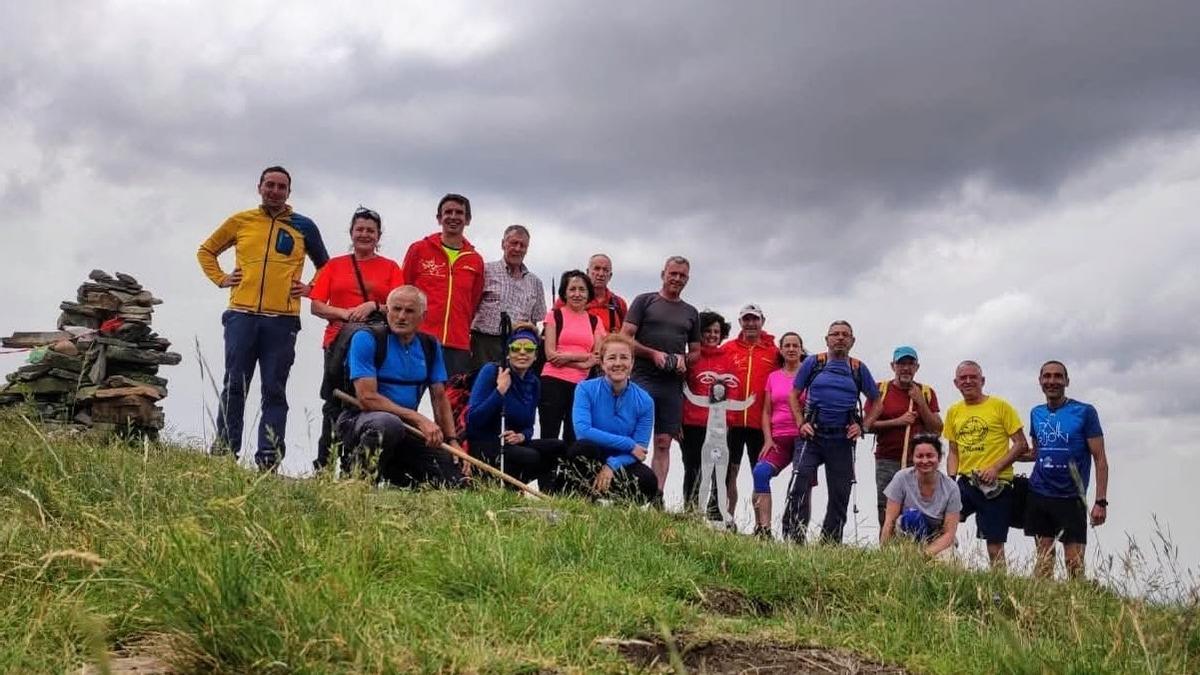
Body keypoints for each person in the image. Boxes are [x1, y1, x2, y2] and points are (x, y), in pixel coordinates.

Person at [197, 165, 329, 470]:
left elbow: (326, 266)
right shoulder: (241, 221)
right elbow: (206, 251)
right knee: (235, 385)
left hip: (282, 320)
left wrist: (310, 288)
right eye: (269, 185)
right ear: (259, 187)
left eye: (281, 187)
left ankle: (269, 458)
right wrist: (221, 278)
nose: (275, 191)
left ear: (289, 192)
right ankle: (224, 452)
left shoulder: (303, 225)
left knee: (274, 389)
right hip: (241, 315)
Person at [338, 285, 465, 488]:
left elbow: (439, 398)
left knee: (453, 480)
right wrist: (417, 418)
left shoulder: (430, 346)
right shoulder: (367, 339)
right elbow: (367, 397)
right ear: (387, 311)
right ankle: (357, 481)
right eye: (396, 309)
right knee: (388, 424)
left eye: (409, 311)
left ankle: (396, 476)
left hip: (406, 429)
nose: (401, 316)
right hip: (361, 420)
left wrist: (452, 441)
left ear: (423, 316)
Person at [308, 206, 404, 471]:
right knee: (334, 401)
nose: (364, 235)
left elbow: (398, 305)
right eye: (359, 229)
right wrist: (346, 313)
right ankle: (324, 465)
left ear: (378, 235)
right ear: (351, 233)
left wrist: (373, 306)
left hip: (375, 343)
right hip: (338, 342)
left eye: (370, 230)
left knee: (367, 400)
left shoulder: (390, 267)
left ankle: (356, 463)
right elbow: (316, 305)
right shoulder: (334, 265)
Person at [782, 320, 880, 544]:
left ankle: (830, 542)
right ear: (826, 339)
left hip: (842, 438)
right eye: (835, 334)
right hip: (812, 435)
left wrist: (863, 426)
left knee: (840, 493)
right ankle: (792, 538)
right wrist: (800, 423)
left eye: (845, 335)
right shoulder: (814, 363)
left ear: (852, 341)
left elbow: (876, 401)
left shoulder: (857, 368)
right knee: (799, 482)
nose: (840, 338)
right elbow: (793, 395)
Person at [621, 256, 701, 497]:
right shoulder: (645, 301)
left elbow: (696, 351)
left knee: (664, 441)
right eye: (673, 273)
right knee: (632, 437)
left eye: (682, 276)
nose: (677, 279)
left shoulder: (691, 312)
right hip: (641, 377)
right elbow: (624, 338)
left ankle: (656, 495)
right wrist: (652, 353)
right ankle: (625, 489)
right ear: (663, 274)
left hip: (671, 384)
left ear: (687, 279)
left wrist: (682, 360)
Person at [1026, 360, 1109, 580]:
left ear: (1067, 381)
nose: (1052, 381)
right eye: (1047, 376)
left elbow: (1100, 458)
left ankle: (1078, 606)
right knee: (1044, 559)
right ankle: (1041, 607)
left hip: (1071, 497)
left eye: (1057, 376)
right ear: (1040, 381)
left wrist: (1101, 501)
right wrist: (998, 459)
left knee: (1074, 562)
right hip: (1040, 493)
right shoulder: (1036, 413)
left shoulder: (1085, 412)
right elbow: (1037, 452)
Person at [944, 360, 1030, 570]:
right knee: (943, 524)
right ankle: (948, 571)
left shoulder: (1000, 407)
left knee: (994, 545)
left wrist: (996, 468)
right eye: (963, 378)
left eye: (973, 377)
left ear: (982, 381)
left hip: (997, 485)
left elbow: (1021, 444)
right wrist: (950, 482)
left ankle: (999, 589)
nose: (968, 381)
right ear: (956, 383)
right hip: (966, 482)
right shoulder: (954, 411)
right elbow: (953, 451)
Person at [464, 323, 565, 489]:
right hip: (486, 444)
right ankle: (499, 486)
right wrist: (499, 391)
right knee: (529, 456)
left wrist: (522, 436)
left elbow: (529, 426)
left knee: (558, 447)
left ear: (535, 355)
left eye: (529, 348)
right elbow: (473, 420)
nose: (522, 353)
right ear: (508, 352)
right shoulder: (491, 371)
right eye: (516, 348)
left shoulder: (534, 383)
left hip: (514, 444)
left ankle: (551, 493)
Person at [561, 333, 658, 502]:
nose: (618, 363)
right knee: (582, 449)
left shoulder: (645, 401)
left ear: (632, 363)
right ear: (603, 363)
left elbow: (640, 450)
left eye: (624, 358)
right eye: (612, 358)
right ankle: (583, 498)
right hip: (592, 457)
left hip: (621, 462)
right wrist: (628, 443)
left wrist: (612, 465)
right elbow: (583, 431)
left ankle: (617, 508)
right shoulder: (585, 389)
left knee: (648, 481)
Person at [402, 193, 484, 377]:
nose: (453, 217)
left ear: (468, 220)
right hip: (419, 338)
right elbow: (403, 290)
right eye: (448, 212)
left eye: (459, 213)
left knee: (451, 403)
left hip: (457, 344)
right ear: (439, 218)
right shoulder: (419, 249)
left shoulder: (475, 260)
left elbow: (473, 302)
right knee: (407, 397)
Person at [864, 346, 943, 526]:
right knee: (887, 506)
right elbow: (866, 425)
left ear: (917, 367)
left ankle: (915, 548)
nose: (906, 368)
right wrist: (897, 422)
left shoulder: (926, 392)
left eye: (910, 364)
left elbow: (937, 429)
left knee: (920, 505)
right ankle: (887, 548)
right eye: (901, 364)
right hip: (887, 459)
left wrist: (920, 403)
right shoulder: (880, 390)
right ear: (893, 366)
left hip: (919, 461)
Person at [720, 303, 779, 522]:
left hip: (760, 424)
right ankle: (727, 520)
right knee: (729, 474)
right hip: (732, 422)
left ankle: (761, 526)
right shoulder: (728, 348)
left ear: (762, 322)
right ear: (740, 323)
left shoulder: (774, 352)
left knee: (760, 475)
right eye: (746, 319)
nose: (751, 323)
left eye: (755, 319)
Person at [750, 331, 806, 538]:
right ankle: (763, 529)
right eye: (787, 346)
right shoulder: (773, 377)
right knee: (760, 473)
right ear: (781, 350)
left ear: (801, 349)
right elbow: (766, 411)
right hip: (778, 439)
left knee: (802, 481)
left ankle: (797, 532)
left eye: (795, 345)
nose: (791, 349)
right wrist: (768, 438)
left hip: (803, 439)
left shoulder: (808, 375)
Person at [539, 270, 605, 444]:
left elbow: (596, 357)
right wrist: (582, 361)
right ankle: (547, 471)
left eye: (582, 290)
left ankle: (569, 471)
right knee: (549, 433)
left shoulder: (595, 321)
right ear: (565, 292)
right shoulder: (554, 315)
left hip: (581, 385)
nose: (577, 294)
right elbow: (551, 355)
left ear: (588, 293)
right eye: (572, 289)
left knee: (574, 434)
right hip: (552, 380)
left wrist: (567, 357)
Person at [469, 225, 547, 368]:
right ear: (503, 244)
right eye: (513, 243)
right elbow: (470, 306)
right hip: (484, 344)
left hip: (518, 346)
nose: (517, 248)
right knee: (481, 385)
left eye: (522, 245)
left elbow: (536, 320)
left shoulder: (535, 282)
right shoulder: (485, 271)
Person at [683, 376, 753, 529]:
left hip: (722, 446)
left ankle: (723, 510)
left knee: (721, 482)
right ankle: (700, 510)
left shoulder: (727, 404)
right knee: (705, 478)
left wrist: (750, 400)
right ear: (712, 391)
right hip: (709, 445)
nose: (718, 393)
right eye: (716, 390)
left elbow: (741, 405)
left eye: (721, 391)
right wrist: (687, 391)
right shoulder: (708, 402)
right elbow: (695, 399)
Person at [680, 311, 733, 512]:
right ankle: (691, 511)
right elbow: (681, 390)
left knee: (720, 471)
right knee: (693, 468)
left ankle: (715, 512)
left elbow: (732, 394)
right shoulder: (690, 359)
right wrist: (677, 421)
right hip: (691, 423)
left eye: (716, 331)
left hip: (718, 427)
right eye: (707, 331)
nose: (712, 335)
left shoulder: (728, 360)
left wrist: (729, 421)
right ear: (698, 333)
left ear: (722, 334)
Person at [880, 434, 961, 561]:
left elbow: (949, 533)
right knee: (912, 517)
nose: (924, 461)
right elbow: (889, 521)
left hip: (937, 539)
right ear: (913, 458)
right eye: (919, 456)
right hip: (905, 536)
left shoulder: (951, 488)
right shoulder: (901, 478)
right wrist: (884, 554)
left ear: (939, 458)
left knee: (952, 563)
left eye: (930, 456)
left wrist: (923, 555)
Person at [570, 253, 629, 333]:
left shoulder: (619, 304)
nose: (601, 274)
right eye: (597, 269)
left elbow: (625, 336)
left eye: (605, 270)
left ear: (610, 276)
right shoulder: (570, 299)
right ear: (587, 272)